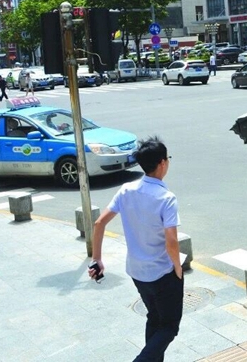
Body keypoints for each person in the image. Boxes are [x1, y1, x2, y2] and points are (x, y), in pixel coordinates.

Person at [89, 137, 183, 361]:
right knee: (169, 327)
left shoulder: (126, 190)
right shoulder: (166, 198)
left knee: (155, 318)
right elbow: (171, 241)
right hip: (162, 273)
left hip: (137, 272)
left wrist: (97, 259)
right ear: (162, 163)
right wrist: (178, 268)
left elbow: (99, 223)